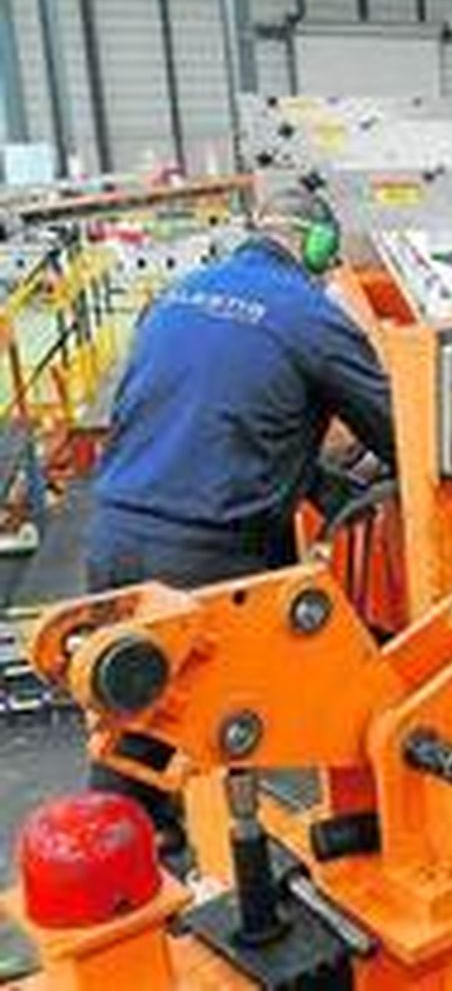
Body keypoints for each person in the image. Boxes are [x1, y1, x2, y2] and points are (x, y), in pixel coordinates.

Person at [84, 186, 395, 856]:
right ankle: (247, 871)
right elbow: (402, 429)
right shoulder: (310, 314)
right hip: (210, 561)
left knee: (136, 725)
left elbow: (210, 419)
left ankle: (124, 883)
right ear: (318, 248)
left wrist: (316, 481)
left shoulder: (176, 294)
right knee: (250, 722)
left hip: (112, 541)